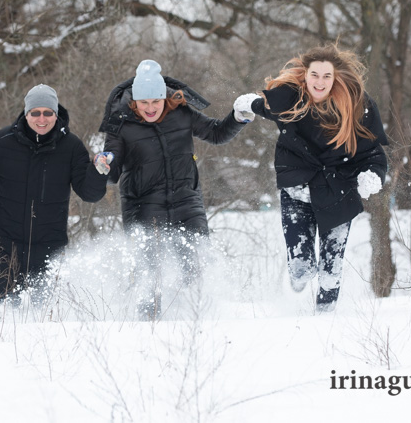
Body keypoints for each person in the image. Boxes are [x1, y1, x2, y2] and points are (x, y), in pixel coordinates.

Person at [234, 43, 388, 313]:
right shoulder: (290, 101)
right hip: (298, 190)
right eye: (314, 75)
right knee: (302, 268)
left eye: (326, 76)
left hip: (337, 190)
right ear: (305, 76)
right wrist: (249, 103)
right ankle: (294, 297)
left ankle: (324, 320)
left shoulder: (356, 106)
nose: (320, 81)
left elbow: (373, 150)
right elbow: (268, 108)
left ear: (335, 78)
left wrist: (372, 175)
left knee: (331, 269)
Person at [94, 60, 248, 318]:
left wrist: (238, 118)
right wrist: (104, 166)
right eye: (144, 103)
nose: (151, 108)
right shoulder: (121, 124)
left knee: (194, 266)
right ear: (134, 102)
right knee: (149, 274)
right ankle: (148, 327)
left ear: (165, 98)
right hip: (142, 206)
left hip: (187, 202)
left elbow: (216, 133)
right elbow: (113, 167)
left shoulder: (182, 113)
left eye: (156, 101)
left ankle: (193, 326)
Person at [0, 84, 107, 305]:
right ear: (26, 114)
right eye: (35, 113)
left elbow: (89, 193)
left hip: (49, 244)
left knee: (42, 315)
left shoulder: (71, 146)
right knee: (7, 312)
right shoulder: (2, 141)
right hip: (6, 243)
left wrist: (98, 173)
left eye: (48, 113)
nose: (41, 119)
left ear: (56, 114)